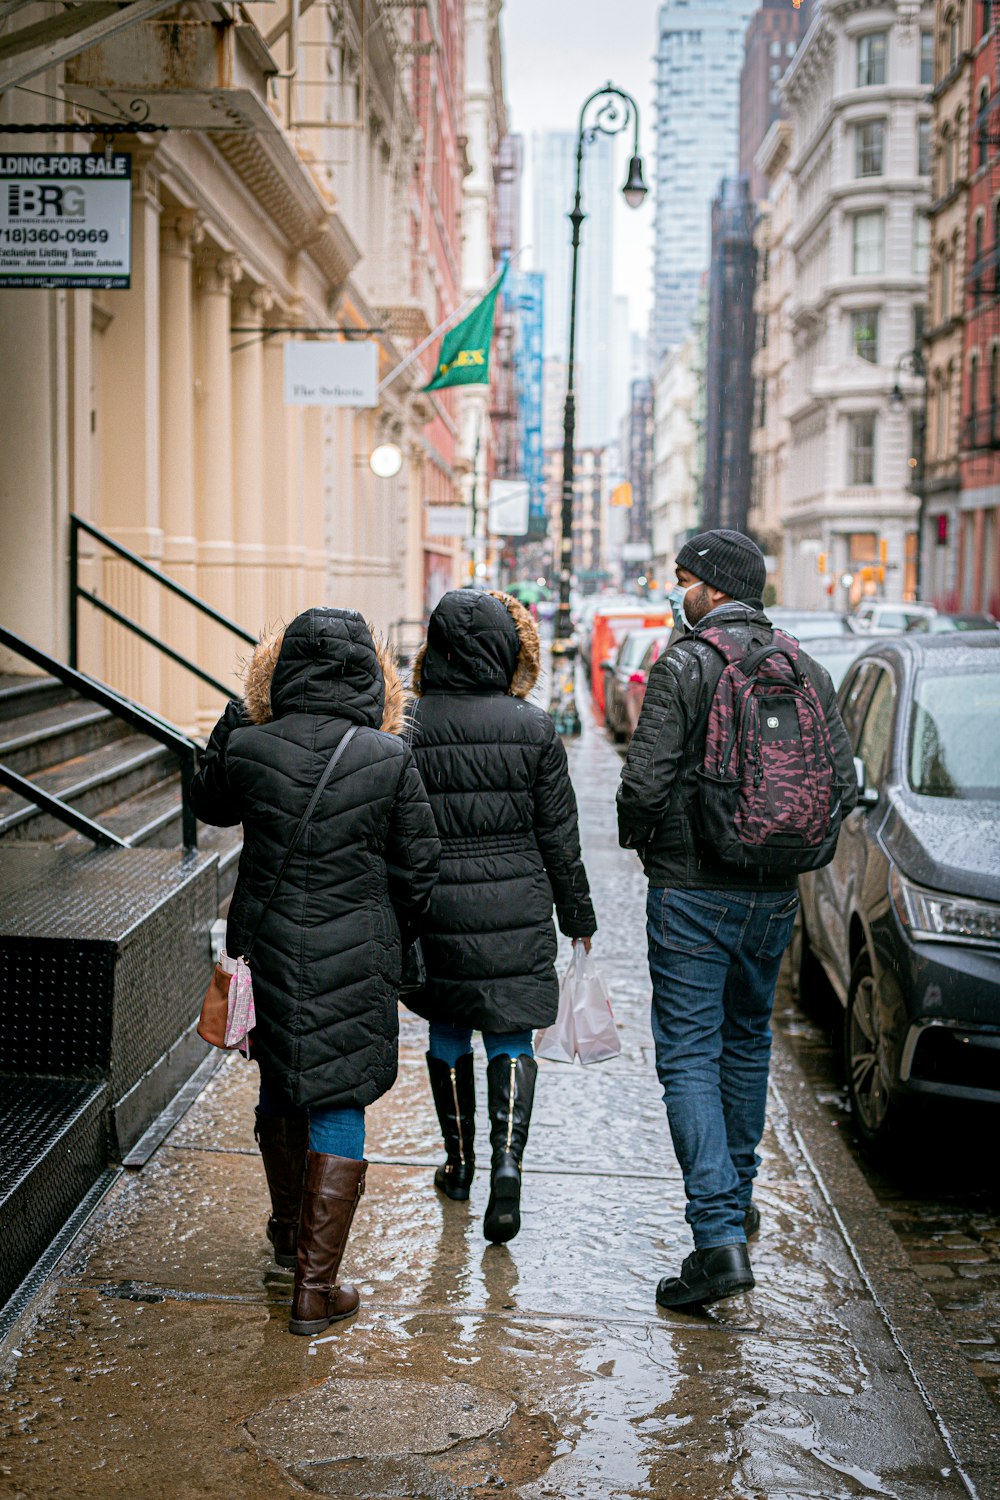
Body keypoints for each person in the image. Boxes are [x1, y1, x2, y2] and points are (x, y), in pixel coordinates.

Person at [617, 531, 856, 1310]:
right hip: (775, 891)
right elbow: (842, 781)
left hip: (692, 889)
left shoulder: (686, 663)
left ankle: (717, 1241)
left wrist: (642, 841)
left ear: (713, 588)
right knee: (747, 1041)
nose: (677, 591)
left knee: (688, 1054)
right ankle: (736, 1203)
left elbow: (645, 784)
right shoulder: (806, 665)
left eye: (683, 580)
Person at [190, 607, 440, 1335]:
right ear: (370, 673)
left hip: (267, 946)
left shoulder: (252, 745)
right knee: (340, 1096)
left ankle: (284, 1235)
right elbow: (419, 867)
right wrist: (394, 924)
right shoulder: (387, 755)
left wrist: (243, 707)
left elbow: (206, 798)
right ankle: (315, 1285)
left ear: (280, 669)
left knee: (281, 1079)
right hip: (358, 950)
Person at [406, 589, 597, 1244]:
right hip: (516, 900)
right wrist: (578, 913)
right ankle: (507, 1166)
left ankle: (458, 1167)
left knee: (449, 1028)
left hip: (437, 904)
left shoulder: (408, 723)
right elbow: (559, 837)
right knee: (512, 1036)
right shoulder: (535, 728)